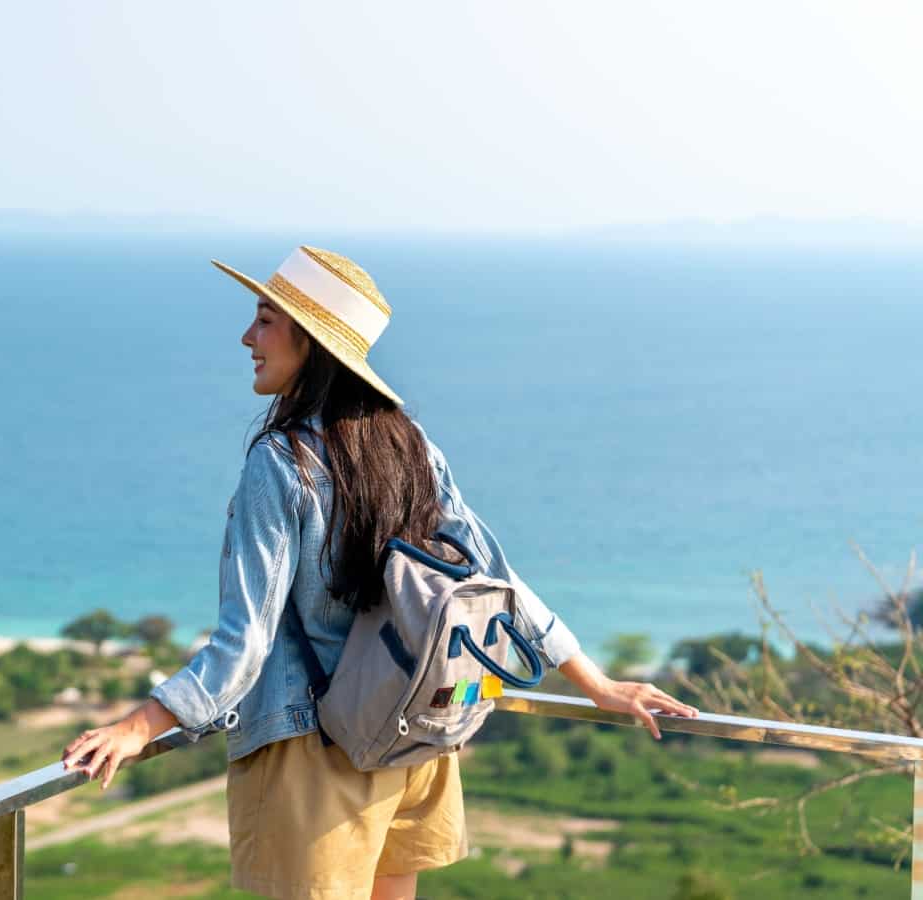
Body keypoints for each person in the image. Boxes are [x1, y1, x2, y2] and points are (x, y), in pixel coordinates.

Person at [60, 246, 699, 900]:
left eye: (265, 320)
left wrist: (137, 727)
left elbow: (244, 645)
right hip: (415, 734)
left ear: (309, 342)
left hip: (314, 755)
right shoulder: (410, 444)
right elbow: (495, 583)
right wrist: (595, 683)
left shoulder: (281, 464)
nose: (247, 337)